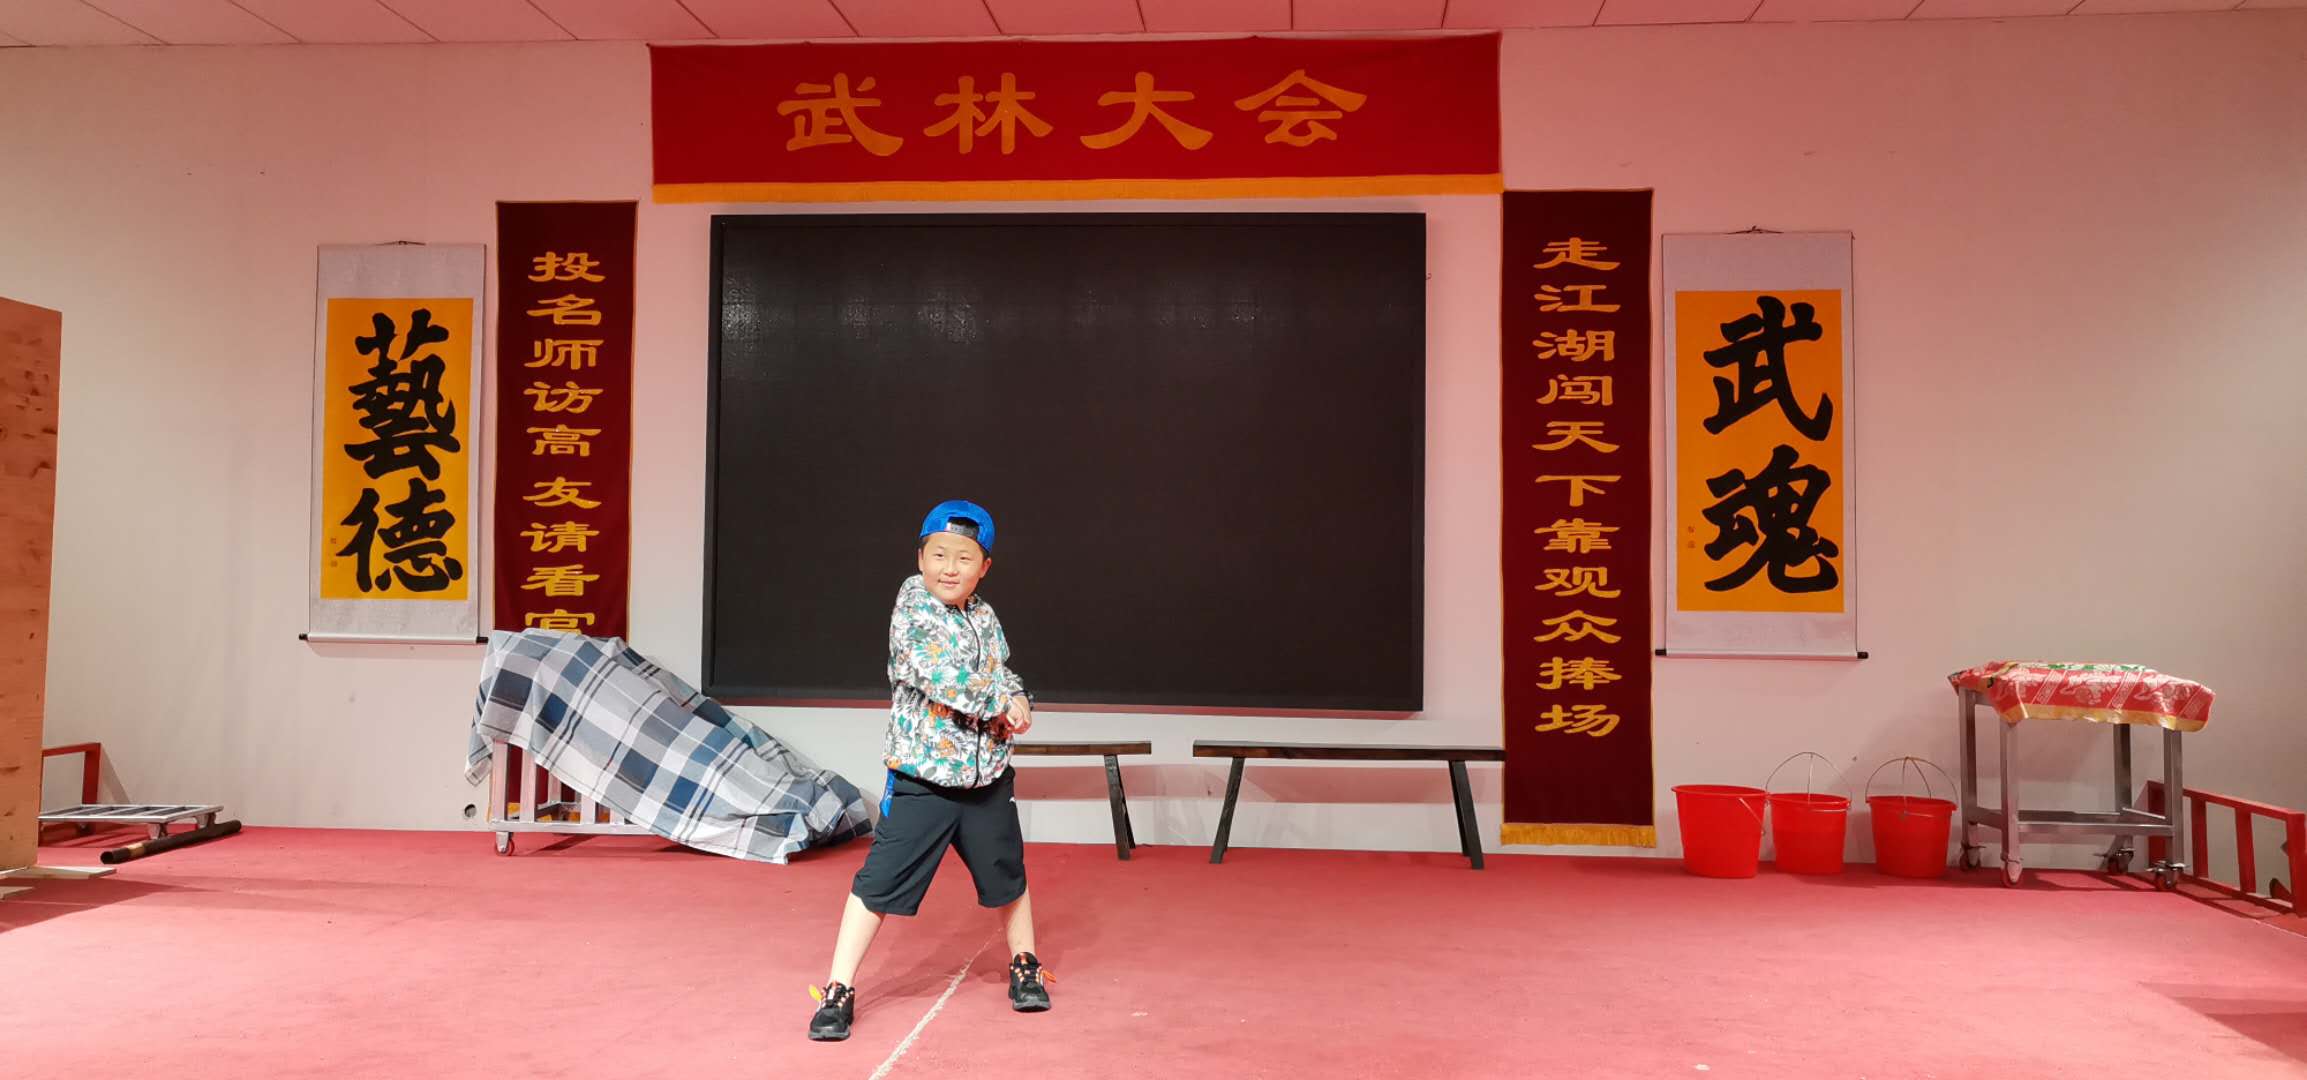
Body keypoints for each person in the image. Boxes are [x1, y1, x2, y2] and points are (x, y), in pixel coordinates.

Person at [809, 499, 1051, 1042]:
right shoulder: (912, 607)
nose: (949, 568)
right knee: (878, 883)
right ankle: (838, 988)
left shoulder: (984, 616)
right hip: (925, 780)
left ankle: (1026, 964)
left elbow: (1001, 672)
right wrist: (999, 702)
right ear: (920, 557)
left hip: (987, 780)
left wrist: (1019, 698)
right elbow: (938, 674)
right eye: (939, 555)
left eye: (964, 558)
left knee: (1007, 875)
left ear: (984, 566)